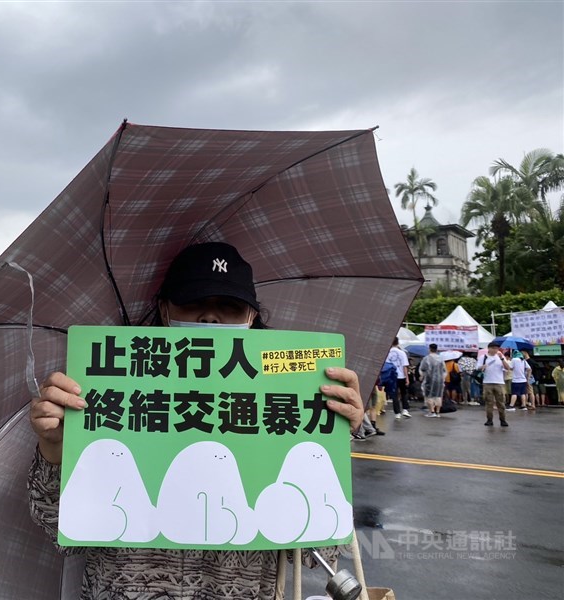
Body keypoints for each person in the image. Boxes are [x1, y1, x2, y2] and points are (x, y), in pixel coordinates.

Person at [28, 242, 365, 599]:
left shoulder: (285, 398)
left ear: (251, 317)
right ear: (164, 309)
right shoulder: (105, 391)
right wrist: (55, 447)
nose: (209, 318)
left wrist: (333, 440)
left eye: (229, 306)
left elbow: (317, 552)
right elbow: (61, 531)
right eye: (194, 303)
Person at [477, 341, 511, 427]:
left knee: (501, 403)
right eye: (494, 348)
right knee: (489, 403)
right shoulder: (483, 357)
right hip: (487, 383)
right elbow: (477, 367)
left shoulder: (500, 356)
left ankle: (503, 420)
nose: (496, 350)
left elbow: (508, 368)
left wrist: (502, 358)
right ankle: (489, 420)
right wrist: (482, 367)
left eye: (497, 348)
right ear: (489, 348)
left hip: (499, 382)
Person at [386, 337, 411, 419]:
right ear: (398, 343)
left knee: (394, 395)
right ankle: (405, 409)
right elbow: (405, 367)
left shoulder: (387, 353)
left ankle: (397, 413)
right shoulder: (402, 353)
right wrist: (407, 378)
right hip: (401, 376)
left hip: (391, 376)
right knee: (404, 393)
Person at [419, 344, 445, 418]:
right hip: (439, 380)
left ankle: (432, 411)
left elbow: (422, 369)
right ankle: (437, 412)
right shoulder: (441, 359)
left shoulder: (426, 358)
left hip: (429, 379)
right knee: (438, 395)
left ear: (429, 349)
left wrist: (422, 376)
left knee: (429, 396)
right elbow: (444, 370)